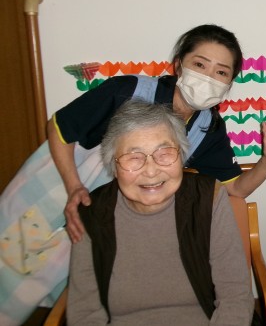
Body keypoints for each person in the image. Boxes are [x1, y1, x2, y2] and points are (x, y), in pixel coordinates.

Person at [0, 24, 266, 325]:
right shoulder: (127, 92)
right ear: (179, 65)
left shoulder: (207, 128)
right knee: (9, 263)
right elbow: (60, 128)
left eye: (221, 72)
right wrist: (73, 188)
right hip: (57, 188)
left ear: (230, 82)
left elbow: (235, 188)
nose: (208, 78)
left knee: (49, 284)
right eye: (200, 65)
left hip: (108, 211)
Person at [67, 100, 255, 325]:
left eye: (164, 153)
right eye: (134, 157)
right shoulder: (91, 213)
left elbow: (235, 297)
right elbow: (85, 313)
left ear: (181, 156)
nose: (151, 170)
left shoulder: (208, 199)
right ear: (114, 167)